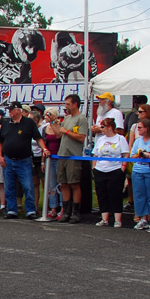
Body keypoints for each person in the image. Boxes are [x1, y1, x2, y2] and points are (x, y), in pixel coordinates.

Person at [0, 103, 47, 220]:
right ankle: (12, 210)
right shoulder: (6, 124)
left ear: (18, 110)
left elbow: (38, 138)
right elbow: (0, 142)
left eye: (12, 110)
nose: (9, 112)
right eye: (9, 110)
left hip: (24, 160)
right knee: (9, 187)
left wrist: (44, 148)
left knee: (28, 186)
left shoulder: (29, 123)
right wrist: (0, 156)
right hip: (8, 159)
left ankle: (30, 210)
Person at [54, 94, 89, 224]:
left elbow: (81, 137)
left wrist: (67, 132)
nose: (66, 106)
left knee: (74, 183)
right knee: (63, 183)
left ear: (75, 104)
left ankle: (76, 211)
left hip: (73, 155)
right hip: (62, 154)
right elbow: (58, 134)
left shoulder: (81, 119)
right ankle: (66, 211)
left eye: (68, 104)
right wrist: (53, 124)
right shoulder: (67, 119)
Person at [92, 118, 129, 227]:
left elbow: (125, 154)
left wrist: (123, 168)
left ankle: (118, 219)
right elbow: (95, 154)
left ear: (110, 127)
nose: (101, 129)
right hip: (100, 169)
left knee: (115, 194)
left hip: (115, 169)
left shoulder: (120, 138)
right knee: (102, 194)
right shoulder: (100, 139)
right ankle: (104, 218)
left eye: (103, 127)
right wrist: (94, 167)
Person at [41, 107, 63, 219]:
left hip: (59, 158)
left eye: (49, 115)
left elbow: (58, 135)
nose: (47, 117)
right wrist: (43, 162)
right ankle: (53, 207)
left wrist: (54, 122)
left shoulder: (60, 126)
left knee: (61, 184)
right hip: (50, 159)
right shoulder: (45, 128)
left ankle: (62, 208)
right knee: (51, 185)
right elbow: (43, 144)